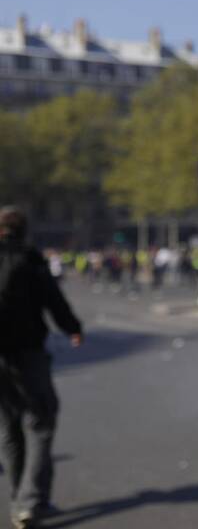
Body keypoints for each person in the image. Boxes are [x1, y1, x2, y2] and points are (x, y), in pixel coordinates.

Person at [0, 207, 83, 529]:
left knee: (8, 429)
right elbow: (53, 300)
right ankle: (31, 501)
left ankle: (17, 499)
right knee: (41, 422)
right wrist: (73, 327)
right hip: (27, 351)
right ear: (24, 231)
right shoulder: (30, 259)